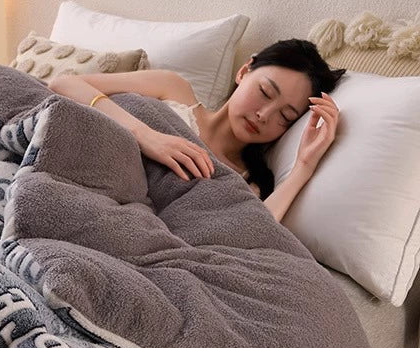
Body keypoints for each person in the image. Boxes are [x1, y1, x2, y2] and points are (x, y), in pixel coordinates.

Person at [49, 39, 345, 222]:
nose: (264, 115)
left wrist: (304, 166)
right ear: (244, 71)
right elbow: (64, 84)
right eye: (265, 92)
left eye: (285, 116)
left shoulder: (249, 181)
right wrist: (147, 136)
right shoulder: (173, 89)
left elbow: (255, 234)